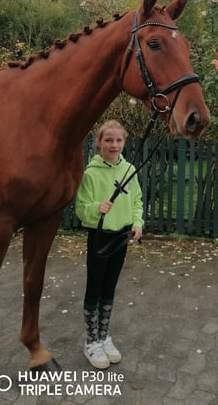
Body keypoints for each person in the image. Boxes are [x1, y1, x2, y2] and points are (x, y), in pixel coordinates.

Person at [75, 120, 143, 369]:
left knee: (109, 288)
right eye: (108, 140)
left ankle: (104, 336)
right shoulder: (90, 173)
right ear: (99, 143)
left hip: (121, 237)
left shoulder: (129, 170)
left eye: (118, 140)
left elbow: (137, 200)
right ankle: (91, 341)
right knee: (95, 287)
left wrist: (137, 222)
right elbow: (81, 207)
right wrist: (96, 208)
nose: (114, 145)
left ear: (124, 142)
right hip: (100, 237)